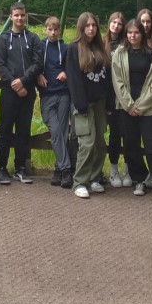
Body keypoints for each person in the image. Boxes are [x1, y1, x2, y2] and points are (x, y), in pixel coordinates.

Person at [111, 18, 152, 202]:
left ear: (142, 34)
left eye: (136, 32)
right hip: (126, 107)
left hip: (148, 108)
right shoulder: (119, 53)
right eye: (129, 32)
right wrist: (129, 105)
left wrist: (141, 106)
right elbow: (117, 81)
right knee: (131, 145)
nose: (133, 35)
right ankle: (140, 178)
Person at [0, 1, 42, 183]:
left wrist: (23, 81)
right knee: (5, 130)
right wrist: (14, 83)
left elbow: (37, 63)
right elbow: (0, 64)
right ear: (11, 17)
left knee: (23, 130)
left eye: (22, 15)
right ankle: (1, 167)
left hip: (27, 91)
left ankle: (20, 167)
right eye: (16, 15)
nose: (20, 18)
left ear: (26, 16)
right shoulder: (3, 38)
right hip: (9, 91)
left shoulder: (33, 38)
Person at [65, 11, 110, 198]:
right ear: (81, 28)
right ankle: (80, 182)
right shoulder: (74, 48)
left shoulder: (100, 47)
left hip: (100, 103)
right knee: (87, 142)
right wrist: (80, 104)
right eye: (87, 26)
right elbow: (73, 78)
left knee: (100, 143)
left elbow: (106, 76)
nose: (91, 29)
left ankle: (94, 177)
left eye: (94, 25)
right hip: (83, 104)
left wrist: (108, 103)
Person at [37, 15, 71, 188]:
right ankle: (66, 168)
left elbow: (71, 66)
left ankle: (59, 170)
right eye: (50, 29)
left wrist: (65, 72)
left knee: (63, 132)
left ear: (59, 31)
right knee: (56, 130)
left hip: (63, 94)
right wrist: (38, 74)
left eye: (56, 29)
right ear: (45, 29)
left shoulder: (65, 48)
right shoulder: (39, 47)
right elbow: (33, 64)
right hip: (47, 95)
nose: (52, 33)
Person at [104, 11, 129, 187]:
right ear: (109, 23)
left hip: (125, 96)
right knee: (114, 135)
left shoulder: (126, 43)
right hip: (108, 95)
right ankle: (113, 170)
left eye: (120, 23)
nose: (116, 26)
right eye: (114, 22)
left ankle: (128, 168)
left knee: (127, 133)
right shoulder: (101, 43)